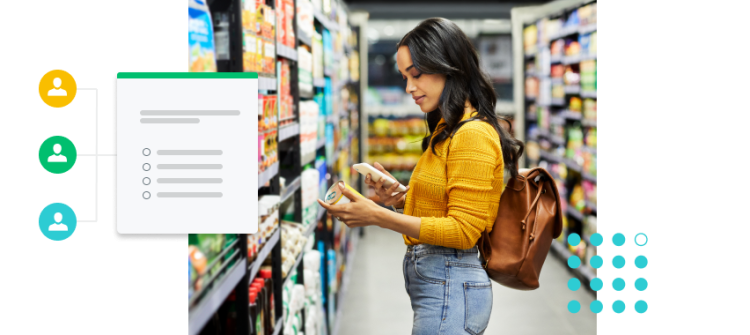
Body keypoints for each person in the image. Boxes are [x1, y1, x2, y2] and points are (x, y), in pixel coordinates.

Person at [318, 18, 524, 335]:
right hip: (443, 284)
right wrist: (400, 197)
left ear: (449, 66)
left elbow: (463, 231)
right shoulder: (448, 127)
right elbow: (445, 206)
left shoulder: (473, 135)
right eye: (404, 77)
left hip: (452, 287)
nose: (409, 87)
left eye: (416, 74)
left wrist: (378, 216)